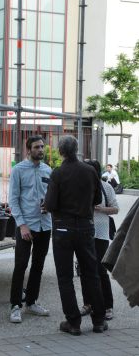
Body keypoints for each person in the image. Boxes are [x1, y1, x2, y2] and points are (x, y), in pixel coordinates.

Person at [44, 135, 108, 335]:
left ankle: (73, 322)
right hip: (86, 227)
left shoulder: (58, 173)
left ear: (61, 152)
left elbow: (51, 204)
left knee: (65, 277)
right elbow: (98, 198)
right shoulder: (90, 171)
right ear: (77, 149)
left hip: (63, 229)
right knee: (91, 274)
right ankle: (98, 320)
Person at [9, 135, 51, 324]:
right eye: (37, 147)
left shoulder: (48, 170)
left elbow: (51, 196)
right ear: (28, 149)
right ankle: (15, 305)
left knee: (38, 266)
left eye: (42, 146)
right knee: (20, 265)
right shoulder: (18, 170)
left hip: (45, 224)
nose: (41, 150)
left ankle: (32, 302)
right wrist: (22, 224)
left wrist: (50, 205)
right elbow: (13, 199)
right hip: (26, 225)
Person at [80, 159, 119, 321]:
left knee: (100, 270)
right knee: (83, 269)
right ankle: (88, 303)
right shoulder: (81, 187)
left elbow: (116, 209)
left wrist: (102, 209)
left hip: (100, 234)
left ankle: (108, 306)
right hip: (83, 232)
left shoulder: (106, 187)